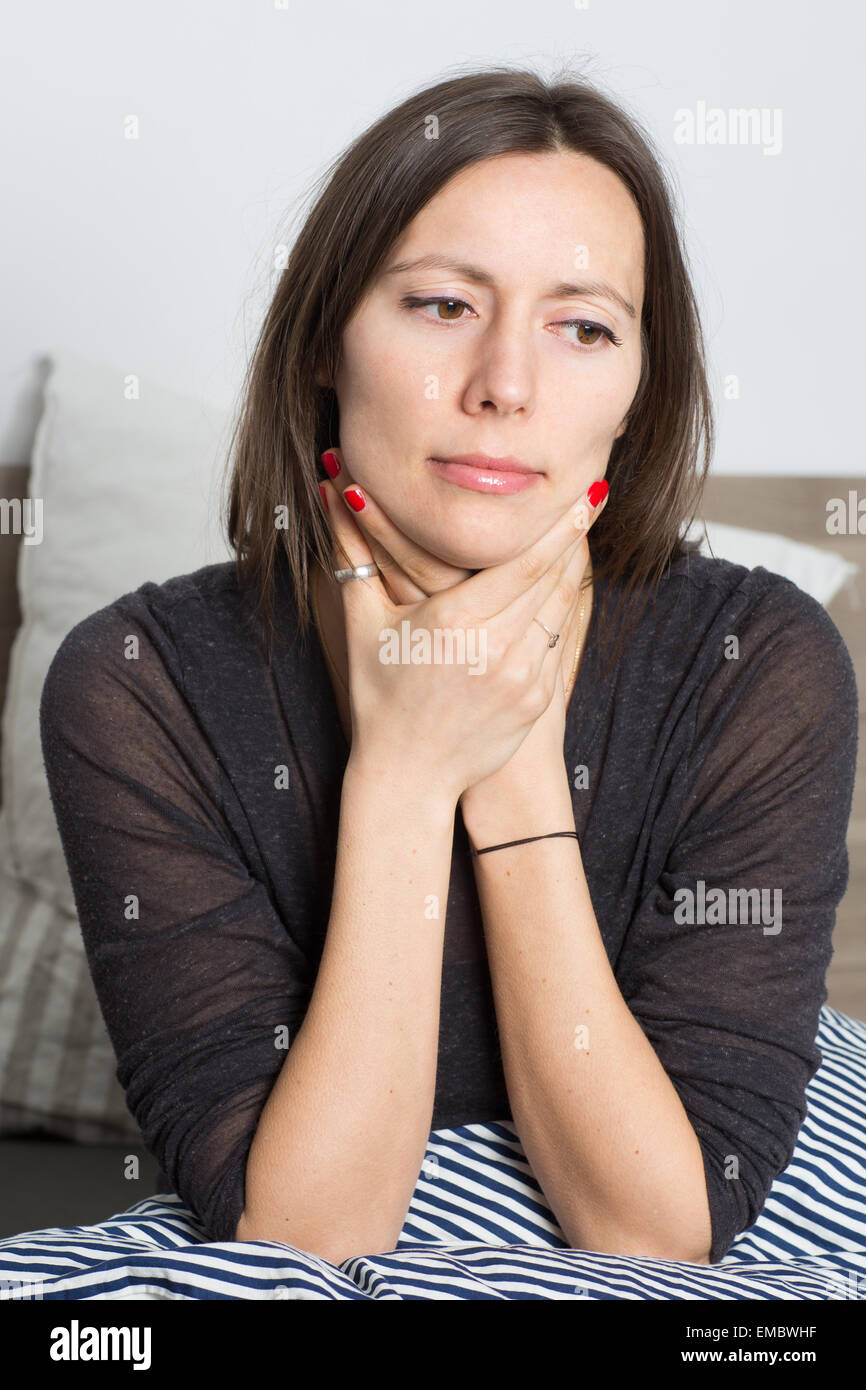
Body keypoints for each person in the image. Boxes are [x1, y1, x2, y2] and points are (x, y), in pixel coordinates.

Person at [39, 65, 858, 1269]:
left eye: (582, 326)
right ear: (324, 335)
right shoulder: (133, 682)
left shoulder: (759, 664)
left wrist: (513, 767)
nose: (505, 387)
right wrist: (407, 773)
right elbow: (303, 1239)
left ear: (634, 395)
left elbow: (651, 1230)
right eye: (439, 306)